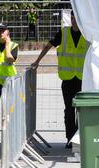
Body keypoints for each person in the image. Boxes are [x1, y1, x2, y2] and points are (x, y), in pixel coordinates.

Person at [31, 13, 88, 148]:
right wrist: (37, 61)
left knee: (83, 111)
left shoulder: (87, 33)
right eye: (72, 18)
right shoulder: (64, 33)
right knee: (69, 110)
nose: (74, 20)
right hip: (68, 79)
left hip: (83, 79)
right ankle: (70, 139)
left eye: (77, 18)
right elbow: (48, 46)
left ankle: (81, 139)